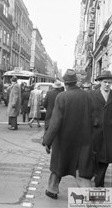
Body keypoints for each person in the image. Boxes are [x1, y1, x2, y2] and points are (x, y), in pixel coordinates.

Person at [42, 69, 94, 199]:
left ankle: (52, 190)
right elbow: (93, 116)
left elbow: (55, 122)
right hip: (83, 139)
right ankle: (91, 197)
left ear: (65, 83)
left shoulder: (62, 97)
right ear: (75, 82)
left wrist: (47, 141)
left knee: (58, 166)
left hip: (64, 140)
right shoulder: (87, 96)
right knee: (81, 170)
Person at [89, 70, 112, 187]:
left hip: (109, 134)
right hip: (95, 132)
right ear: (100, 82)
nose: (107, 84)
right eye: (105, 82)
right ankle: (97, 180)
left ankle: (99, 184)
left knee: (106, 159)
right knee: (95, 158)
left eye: (109, 82)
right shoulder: (92, 95)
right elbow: (87, 112)